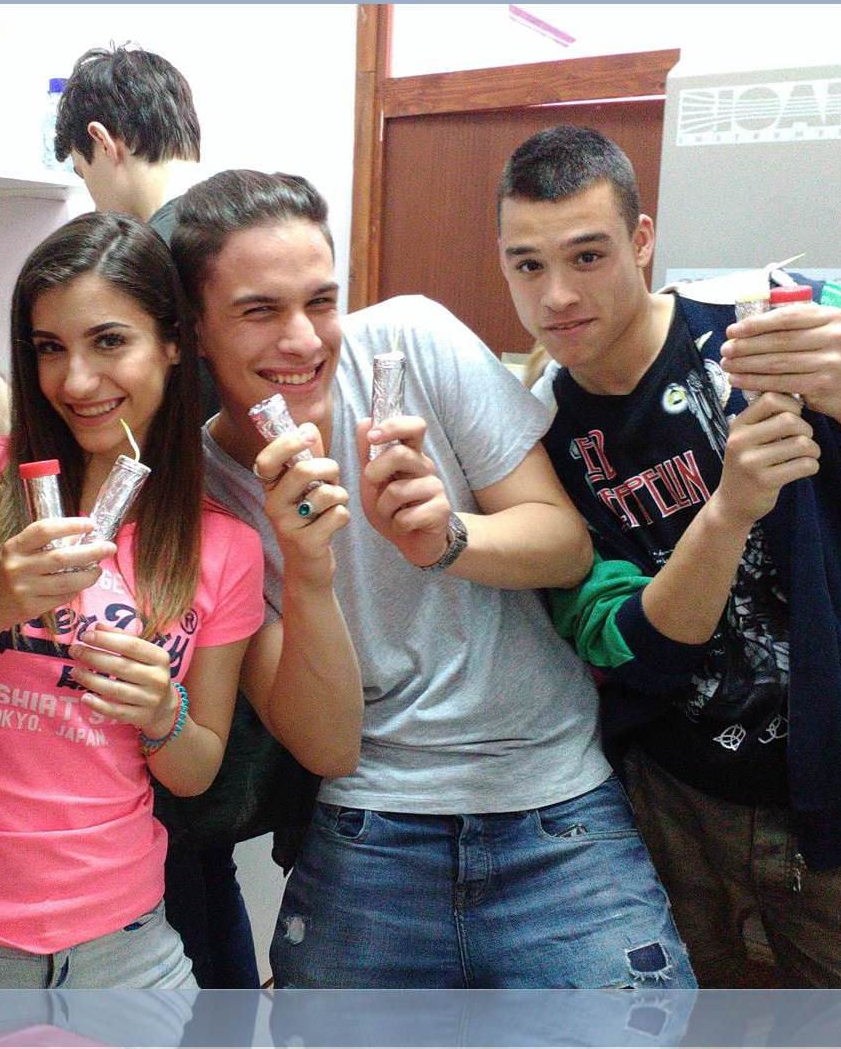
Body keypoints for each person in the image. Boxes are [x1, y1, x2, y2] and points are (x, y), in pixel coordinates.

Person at [172, 169, 695, 989]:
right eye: (259, 311)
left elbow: (565, 546)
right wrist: (308, 570)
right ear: (196, 330)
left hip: (552, 797)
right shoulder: (203, 494)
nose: (303, 340)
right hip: (368, 818)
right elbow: (328, 745)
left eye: (320, 301)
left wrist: (448, 538)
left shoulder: (409, 343)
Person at [498, 125, 841, 987]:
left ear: (642, 240)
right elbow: (629, 648)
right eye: (527, 265)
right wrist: (729, 512)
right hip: (672, 813)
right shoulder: (533, 434)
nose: (557, 296)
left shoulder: (785, 321)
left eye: (588, 256)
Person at [0, 212, 271, 988]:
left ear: (173, 343)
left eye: (109, 342)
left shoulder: (223, 546)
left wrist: (162, 712)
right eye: (50, 348)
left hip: (126, 952)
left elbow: (196, 770)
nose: (74, 382)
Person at [54, 43, 287, 988]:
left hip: (175, 599)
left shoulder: (149, 259)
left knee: (180, 862)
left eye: (82, 172)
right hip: (260, 587)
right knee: (201, 866)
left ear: (103, 141)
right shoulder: (250, 234)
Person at [53, 44, 202, 241]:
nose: (96, 208)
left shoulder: (154, 252)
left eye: (83, 173)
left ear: (102, 141)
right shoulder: (237, 213)